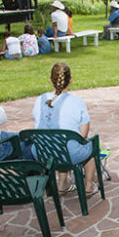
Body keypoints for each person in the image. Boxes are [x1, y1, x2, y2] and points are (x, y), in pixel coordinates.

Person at [31, 62, 98, 193]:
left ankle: (62, 183)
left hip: (42, 153)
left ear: (50, 81)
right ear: (71, 80)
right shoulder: (77, 102)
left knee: (60, 143)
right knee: (89, 146)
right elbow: (83, 134)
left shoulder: (39, 99)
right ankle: (89, 185)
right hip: (67, 153)